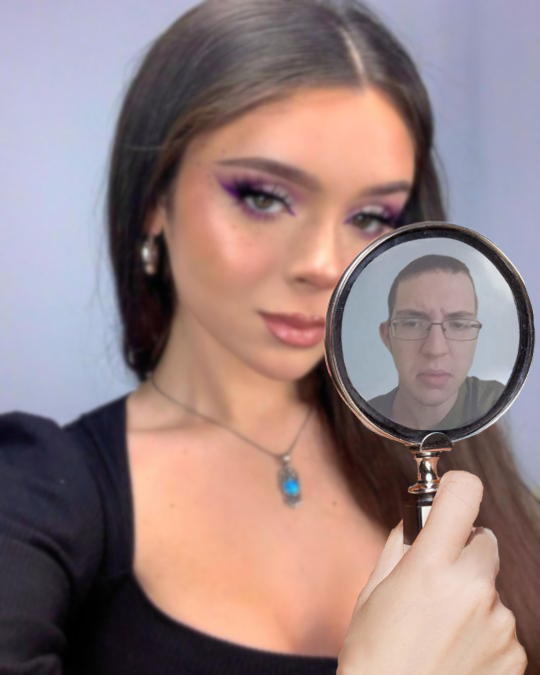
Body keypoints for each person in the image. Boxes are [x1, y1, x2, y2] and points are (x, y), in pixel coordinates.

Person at [0, 1, 537, 673]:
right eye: (264, 197)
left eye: (371, 215)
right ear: (154, 202)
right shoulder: (37, 494)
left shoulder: (451, 455)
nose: (323, 263)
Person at [369, 254, 505, 430]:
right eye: (412, 323)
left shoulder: (505, 408)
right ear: (387, 336)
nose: (435, 349)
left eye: (458, 324)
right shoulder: (355, 423)